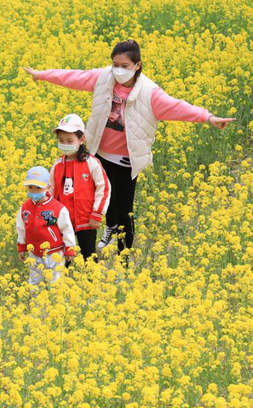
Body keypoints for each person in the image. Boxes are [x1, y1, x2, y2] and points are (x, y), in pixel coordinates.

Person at [23, 39, 235, 257]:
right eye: (115, 64)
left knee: (125, 208)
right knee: (105, 199)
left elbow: (177, 107)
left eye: (124, 66)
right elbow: (75, 77)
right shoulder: (104, 78)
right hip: (100, 153)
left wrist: (208, 117)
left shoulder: (150, 93)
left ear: (137, 65)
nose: (118, 70)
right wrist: (43, 75)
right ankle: (111, 228)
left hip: (126, 158)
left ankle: (124, 254)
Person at [49, 114, 110, 261]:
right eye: (61, 140)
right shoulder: (57, 165)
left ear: (81, 140)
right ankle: (59, 281)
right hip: (62, 219)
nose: (65, 144)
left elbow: (104, 187)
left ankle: (92, 281)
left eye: (70, 141)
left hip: (86, 219)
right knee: (61, 255)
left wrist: (97, 213)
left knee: (88, 255)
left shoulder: (91, 163)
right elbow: (50, 191)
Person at [16, 166, 76, 285]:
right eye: (30, 187)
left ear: (48, 187)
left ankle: (56, 302)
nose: (33, 191)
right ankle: (36, 302)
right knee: (34, 281)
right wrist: (22, 247)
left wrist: (70, 248)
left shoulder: (58, 208)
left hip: (54, 252)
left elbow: (67, 230)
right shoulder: (24, 208)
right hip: (34, 252)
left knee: (55, 281)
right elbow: (21, 228)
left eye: (38, 188)